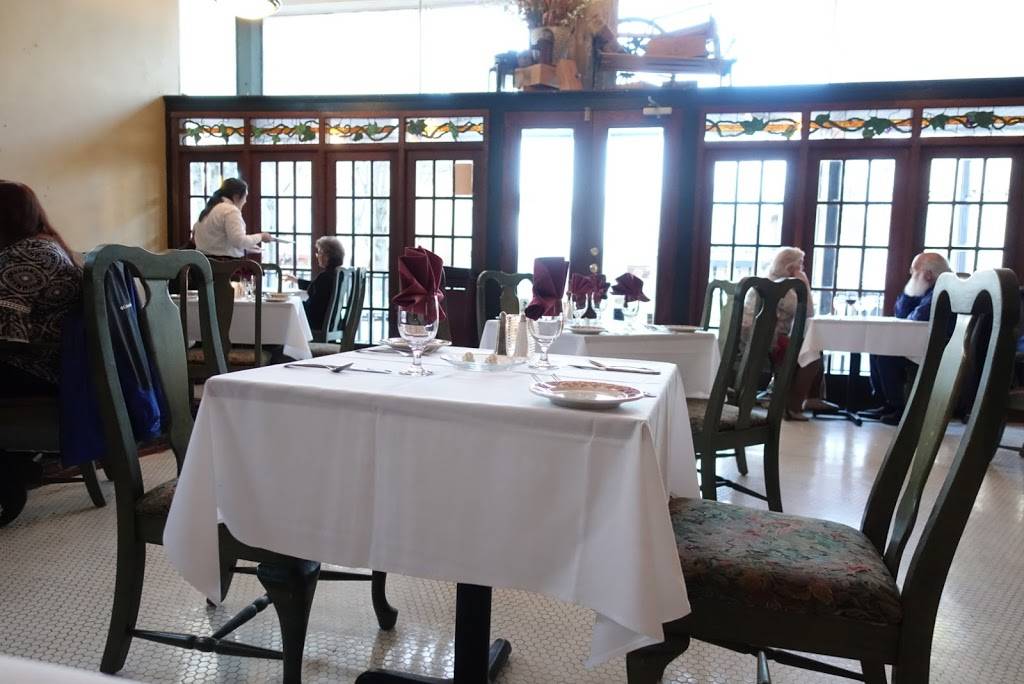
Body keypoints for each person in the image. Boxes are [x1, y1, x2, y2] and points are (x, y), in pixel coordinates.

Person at [0, 181, 82, 524]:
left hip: (38, 368)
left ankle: (7, 480)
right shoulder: (46, 247)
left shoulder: (23, 257)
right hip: (62, 366)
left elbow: (8, 336)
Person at [741, 247, 832, 421]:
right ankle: (794, 406)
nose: (803, 269)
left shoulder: (765, 281)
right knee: (811, 355)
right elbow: (808, 313)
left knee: (808, 347)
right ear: (791, 268)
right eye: (801, 265)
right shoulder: (784, 289)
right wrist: (804, 284)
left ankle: (801, 398)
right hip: (770, 341)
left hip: (753, 338)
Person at [863, 251, 952, 425]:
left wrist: (913, 297)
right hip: (923, 342)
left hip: (939, 348)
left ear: (928, 274)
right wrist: (911, 292)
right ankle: (887, 403)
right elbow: (901, 314)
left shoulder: (942, 290)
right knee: (877, 346)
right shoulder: (926, 288)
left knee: (886, 354)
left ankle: (899, 408)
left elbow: (918, 317)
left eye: (914, 272)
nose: (911, 275)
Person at [192, 178, 273, 258]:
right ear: (236, 197)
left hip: (203, 262)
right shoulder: (230, 210)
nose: (245, 201)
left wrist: (247, 247)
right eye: (245, 196)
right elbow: (239, 241)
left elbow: (216, 242)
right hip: (225, 264)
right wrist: (261, 236)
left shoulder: (209, 209)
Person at [284, 236, 346, 328]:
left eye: (319, 252)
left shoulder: (325, 277)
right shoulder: (337, 275)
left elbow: (313, 308)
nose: (317, 256)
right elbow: (315, 286)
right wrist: (296, 280)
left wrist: (293, 303)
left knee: (285, 312)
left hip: (318, 324)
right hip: (332, 324)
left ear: (327, 256)